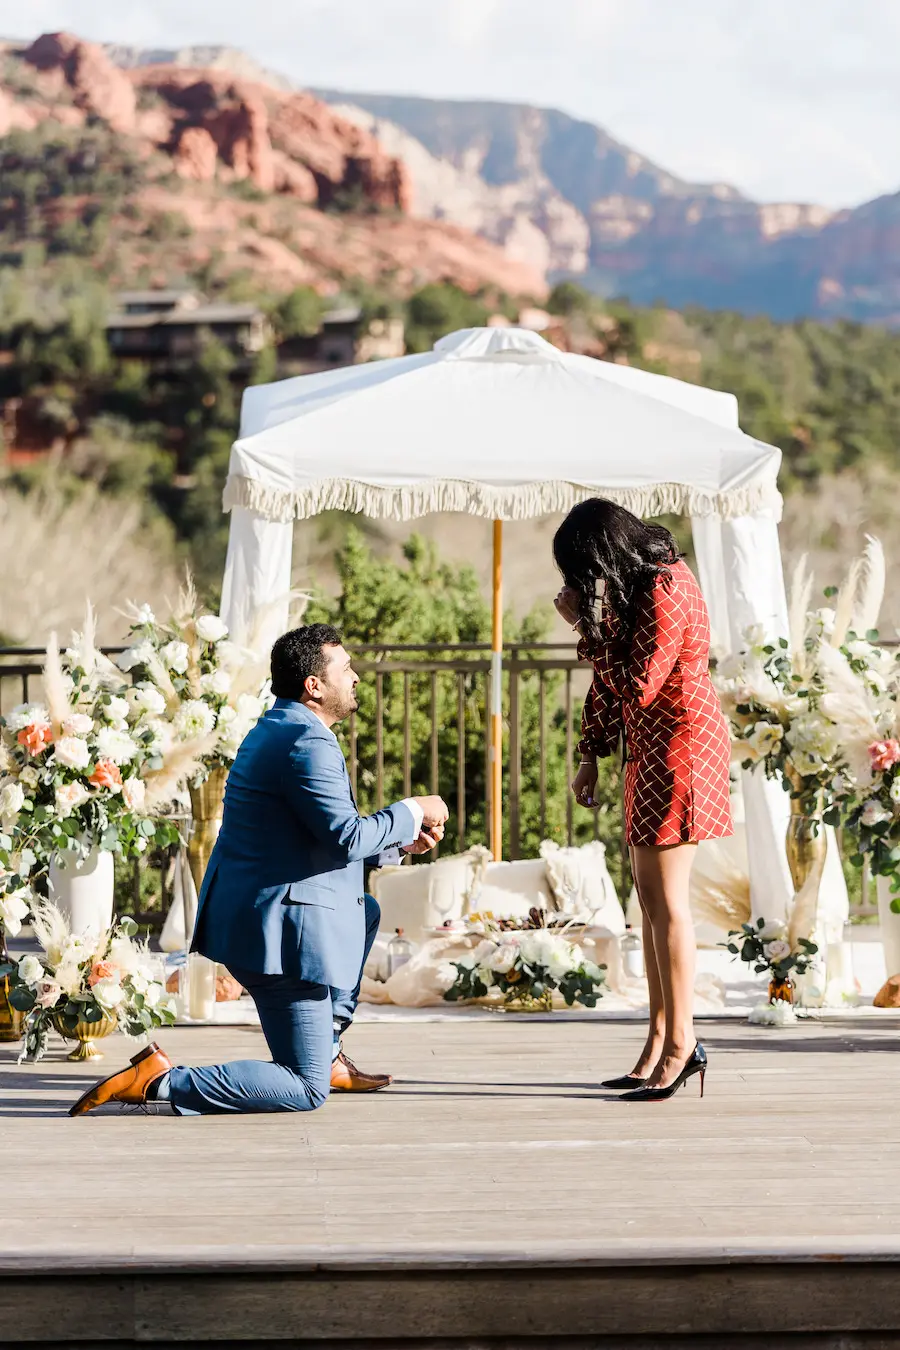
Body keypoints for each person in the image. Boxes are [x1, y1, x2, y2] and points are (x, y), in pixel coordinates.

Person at [70, 624, 449, 1117]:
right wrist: (412, 810)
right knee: (304, 1089)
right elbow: (345, 837)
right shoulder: (305, 743)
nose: (355, 677)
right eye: (346, 669)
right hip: (282, 932)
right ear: (315, 685)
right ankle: (161, 1081)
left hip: (266, 914)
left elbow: (310, 841)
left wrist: (398, 845)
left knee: (366, 911)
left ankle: (325, 1050)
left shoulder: (283, 729)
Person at [553, 499, 732, 1102]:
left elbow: (639, 680)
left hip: (680, 744)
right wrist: (590, 753)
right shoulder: (636, 587)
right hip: (648, 748)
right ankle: (659, 1040)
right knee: (650, 904)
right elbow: (611, 680)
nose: (584, 586)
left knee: (669, 905)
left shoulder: (664, 586)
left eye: (584, 571)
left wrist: (585, 628)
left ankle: (683, 1045)